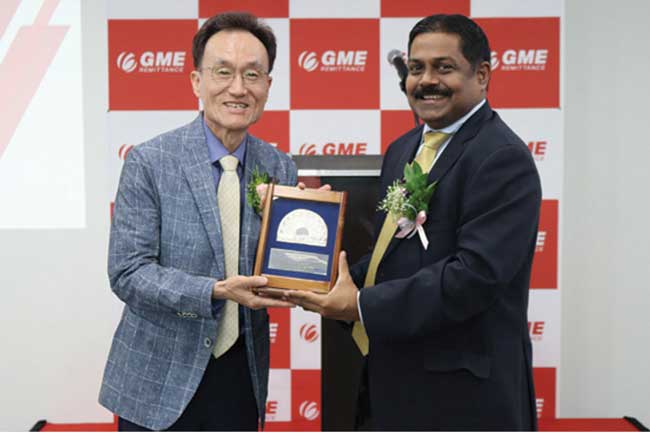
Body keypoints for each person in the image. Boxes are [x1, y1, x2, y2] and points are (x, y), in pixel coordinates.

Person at [285, 14, 541, 430]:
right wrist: (324, 277)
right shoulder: (403, 148)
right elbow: (391, 254)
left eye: (444, 67)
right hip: (392, 382)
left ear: (481, 75)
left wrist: (361, 304)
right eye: (417, 68)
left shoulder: (501, 158)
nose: (427, 80)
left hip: (462, 401)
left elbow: (472, 278)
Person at [99, 12, 297, 431]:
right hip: (156, 380)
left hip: (240, 376)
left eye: (252, 74)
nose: (238, 88)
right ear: (196, 81)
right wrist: (214, 291)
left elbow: (285, 265)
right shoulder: (150, 161)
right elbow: (128, 273)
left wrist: (311, 249)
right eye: (223, 72)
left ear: (267, 85)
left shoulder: (280, 167)